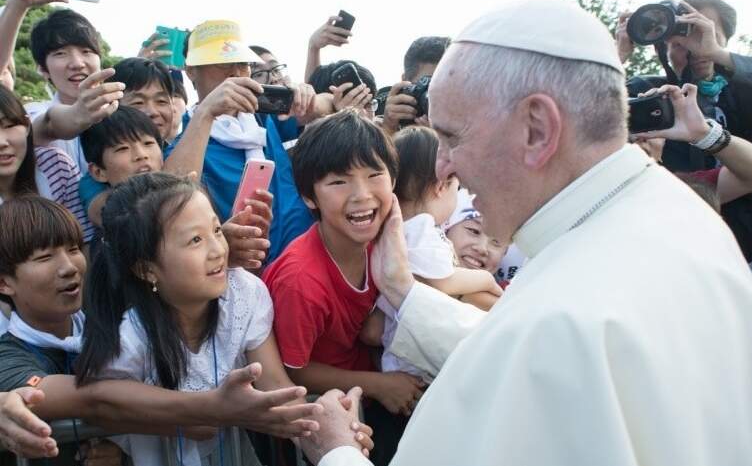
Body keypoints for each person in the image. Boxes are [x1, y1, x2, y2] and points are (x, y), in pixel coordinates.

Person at [299, 0, 752, 466]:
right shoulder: (674, 214)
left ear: (537, 128)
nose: (444, 165)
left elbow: (537, 347)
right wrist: (403, 289)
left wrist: (338, 452)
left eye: (453, 137)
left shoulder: (562, 322)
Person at [75, 173, 369, 465]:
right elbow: (102, 406)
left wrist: (329, 428)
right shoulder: (130, 335)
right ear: (146, 269)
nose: (218, 250)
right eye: (195, 240)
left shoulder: (244, 293)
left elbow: (274, 383)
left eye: (216, 230)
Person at [263, 110, 421, 466]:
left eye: (374, 174)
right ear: (308, 197)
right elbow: (294, 370)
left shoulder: (386, 238)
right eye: (339, 182)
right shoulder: (301, 279)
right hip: (331, 410)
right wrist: (382, 385)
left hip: (377, 384)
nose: (362, 195)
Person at [173, 21, 331, 260]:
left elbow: (327, 104)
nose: (235, 73)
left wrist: (306, 95)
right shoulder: (186, 140)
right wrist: (206, 112)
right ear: (191, 70)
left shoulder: (264, 116)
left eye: (242, 63)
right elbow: (172, 194)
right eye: (222, 63)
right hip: (245, 272)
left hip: (305, 256)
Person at [358, 127, 501, 383]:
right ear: (440, 187)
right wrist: (486, 280)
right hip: (418, 363)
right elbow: (442, 281)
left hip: (398, 356)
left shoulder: (391, 227)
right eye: (456, 188)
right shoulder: (422, 229)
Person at [0, 196, 123, 465]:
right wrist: (208, 407)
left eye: (74, 248)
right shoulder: (7, 358)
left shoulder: (115, 328)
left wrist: (123, 447)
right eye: (44, 257)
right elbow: (94, 399)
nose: (69, 267)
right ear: (4, 283)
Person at [624, 0, 752, 171]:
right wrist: (616, 57)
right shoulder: (648, 92)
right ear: (661, 52)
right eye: (679, 44)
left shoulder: (740, 91)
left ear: (724, 42)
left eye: (706, 36)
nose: (696, 51)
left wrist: (716, 53)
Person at [27, 8, 125, 175]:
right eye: (60, 53)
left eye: (86, 51)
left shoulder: (124, 115)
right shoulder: (32, 112)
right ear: (43, 69)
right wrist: (77, 114)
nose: (77, 63)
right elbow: (48, 124)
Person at [0, 85, 94, 243]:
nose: (2, 142)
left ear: (28, 126)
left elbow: (84, 241)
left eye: (9, 125)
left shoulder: (55, 166)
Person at [379, 36, 450, 135]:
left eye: (446, 86)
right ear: (405, 84)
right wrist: (389, 130)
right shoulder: (380, 126)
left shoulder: (471, 125)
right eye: (428, 87)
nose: (437, 97)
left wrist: (444, 140)